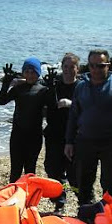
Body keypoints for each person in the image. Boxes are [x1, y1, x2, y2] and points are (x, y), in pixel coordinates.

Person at [64, 50, 112, 206]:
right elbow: (74, 116)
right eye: (92, 65)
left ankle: (110, 215)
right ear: (88, 66)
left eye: (100, 66)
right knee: (83, 181)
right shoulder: (81, 87)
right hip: (85, 141)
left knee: (111, 182)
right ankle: (85, 212)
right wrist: (69, 142)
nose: (96, 69)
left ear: (108, 65)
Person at [0, 57, 50, 183]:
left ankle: (29, 200)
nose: (30, 75)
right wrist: (6, 82)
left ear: (38, 73)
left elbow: (52, 107)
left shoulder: (44, 90)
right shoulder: (18, 89)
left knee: (30, 171)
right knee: (15, 171)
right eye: (26, 71)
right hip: (17, 135)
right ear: (23, 73)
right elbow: (1, 101)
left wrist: (52, 86)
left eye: (33, 72)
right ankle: (12, 200)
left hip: (35, 136)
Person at [43, 52, 81, 211]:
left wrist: (70, 104)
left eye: (72, 67)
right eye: (65, 66)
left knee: (74, 174)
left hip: (73, 136)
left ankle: (81, 198)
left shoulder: (82, 87)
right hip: (54, 134)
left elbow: (88, 107)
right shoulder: (54, 84)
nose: (68, 70)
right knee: (52, 169)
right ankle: (60, 201)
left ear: (77, 69)